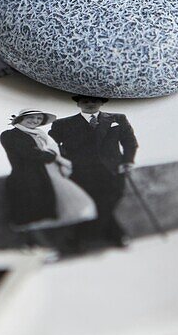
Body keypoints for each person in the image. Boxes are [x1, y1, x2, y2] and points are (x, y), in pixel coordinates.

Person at [51, 96, 138, 247]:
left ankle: (79, 237)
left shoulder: (118, 118)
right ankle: (117, 237)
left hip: (113, 170)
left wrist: (127, 161)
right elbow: (53, 146)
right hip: (82, 173)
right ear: (78, 103)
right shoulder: (63, 124)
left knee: (108, 202)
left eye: (94, 101)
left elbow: (130, 142)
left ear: (102, 102)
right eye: (85, 101)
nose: (90, 104)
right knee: (95, 204)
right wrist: (64, 164)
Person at [0, 110, 96, 232]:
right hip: (28, 178)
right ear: (20, 119)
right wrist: (55, 158)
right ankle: (32, 243)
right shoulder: (9, 134)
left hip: (49, 175)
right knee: (32, 215)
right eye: (31, 117)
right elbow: (30, 153)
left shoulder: (40, 135)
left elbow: (50, 151)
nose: (35, 121)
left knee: (59, 210)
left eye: (39, 118)